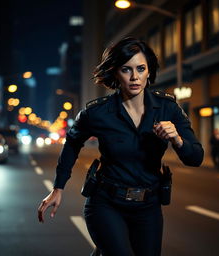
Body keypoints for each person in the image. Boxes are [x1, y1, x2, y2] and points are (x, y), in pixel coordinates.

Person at [38, 37, 204, 256]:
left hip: (148, 206)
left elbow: (196, 158)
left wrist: (178, 140)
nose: (135, 77)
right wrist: (58, 188)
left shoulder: (168, 108)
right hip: (106, 203)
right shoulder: (97, 113)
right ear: (115, 72)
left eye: (141, 69)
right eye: (126, 69)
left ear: (149, 71)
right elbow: (72, 143)